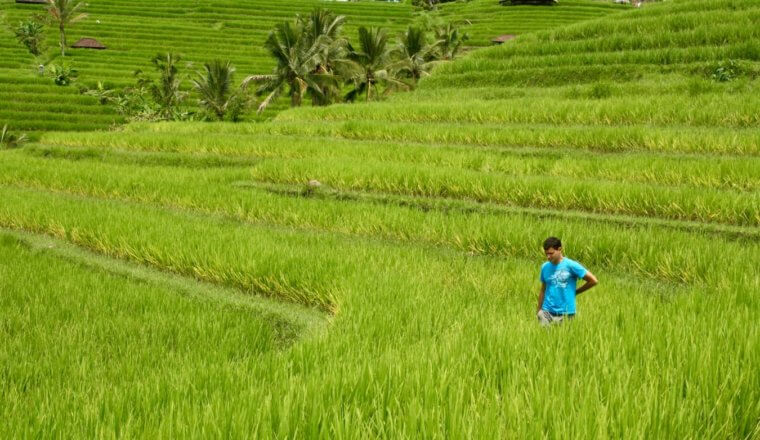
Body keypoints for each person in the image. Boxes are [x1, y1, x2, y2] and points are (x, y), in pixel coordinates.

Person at [536, 237, 598, 326]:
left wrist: (576, 292)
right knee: (544, 339)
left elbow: (593, 280)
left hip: (566, 314)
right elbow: (543, 289)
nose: (548, 257)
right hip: (546, 313)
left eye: (551, 253)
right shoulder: (545, 267)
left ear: (559, 249)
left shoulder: (571, 265)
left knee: (565, 339)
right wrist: (539, 311)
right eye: (546, 254)